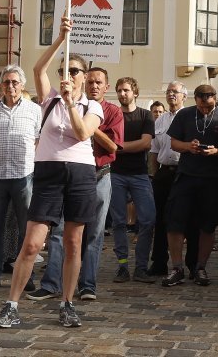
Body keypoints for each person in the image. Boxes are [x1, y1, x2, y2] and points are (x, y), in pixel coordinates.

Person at [0, 16, 103, 328]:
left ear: (83, 76)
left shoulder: (92, 106)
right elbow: (38, 68)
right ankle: (11, 305)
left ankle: (67, 303)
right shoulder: (49, 97)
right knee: (32, 243)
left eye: (74, 71)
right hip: (49, 173)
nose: (68, 75)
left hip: (80, 173)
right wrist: (60, 38)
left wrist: (71, 104)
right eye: (64, 71)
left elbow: (82, 133)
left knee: (73, 242)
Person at [28, 66, 124, 301]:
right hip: (69, 176)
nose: (94, 86)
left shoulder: (111, 111)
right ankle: (51, 284)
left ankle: (87, 285)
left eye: (98, 83)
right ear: (83, 82)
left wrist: (90, 125)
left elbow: (113, 147)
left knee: (94, 234)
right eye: (90, 82)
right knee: (59, 231)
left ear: (106, 87)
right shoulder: (65, 103)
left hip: (99, 175)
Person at [0, 66, 41, 290]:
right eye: (7, 82)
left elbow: (38, 141)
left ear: (22, 85)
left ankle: (26, 276)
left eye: (14, 82)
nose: (10, 86)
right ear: (1, 85)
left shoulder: (34, 110)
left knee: (26, 229)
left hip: (24, 175)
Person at [162, 84, 218, 287]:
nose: (204, 108)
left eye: (208, 104)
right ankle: (177, 268)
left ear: (214, 98)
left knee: (208, 225)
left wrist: (215, 151)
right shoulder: (185, 115)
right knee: (175, 222)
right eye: (201, 104)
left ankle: (200, 267)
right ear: (195, 99)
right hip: (186, 176)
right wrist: (188, 146)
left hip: (211, 178)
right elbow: (174, 143)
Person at [110, 77, 156, 283]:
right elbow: (106, 142)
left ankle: (141, 267)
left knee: (148, 220)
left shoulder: (145, 115)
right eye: (119, 90)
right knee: (118, 222)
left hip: (139, 174)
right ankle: (122, 266)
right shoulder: (113, 114)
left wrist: (117, 147)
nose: (122, 94)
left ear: (135, 92)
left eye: (126, 90)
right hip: (115, 174)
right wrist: (124, 146)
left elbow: (145, 144)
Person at [148, 81, 189, 276]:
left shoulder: (190, 117)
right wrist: (154, 174)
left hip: (184, 172)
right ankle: (159, 262)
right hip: (164, 173)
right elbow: (154, 150)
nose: (171, 94)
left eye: (175, 91)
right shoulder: (160, 120)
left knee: (185, 218)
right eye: (168, 91)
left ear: (184, 96)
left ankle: (191, 264)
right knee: (160, 219)